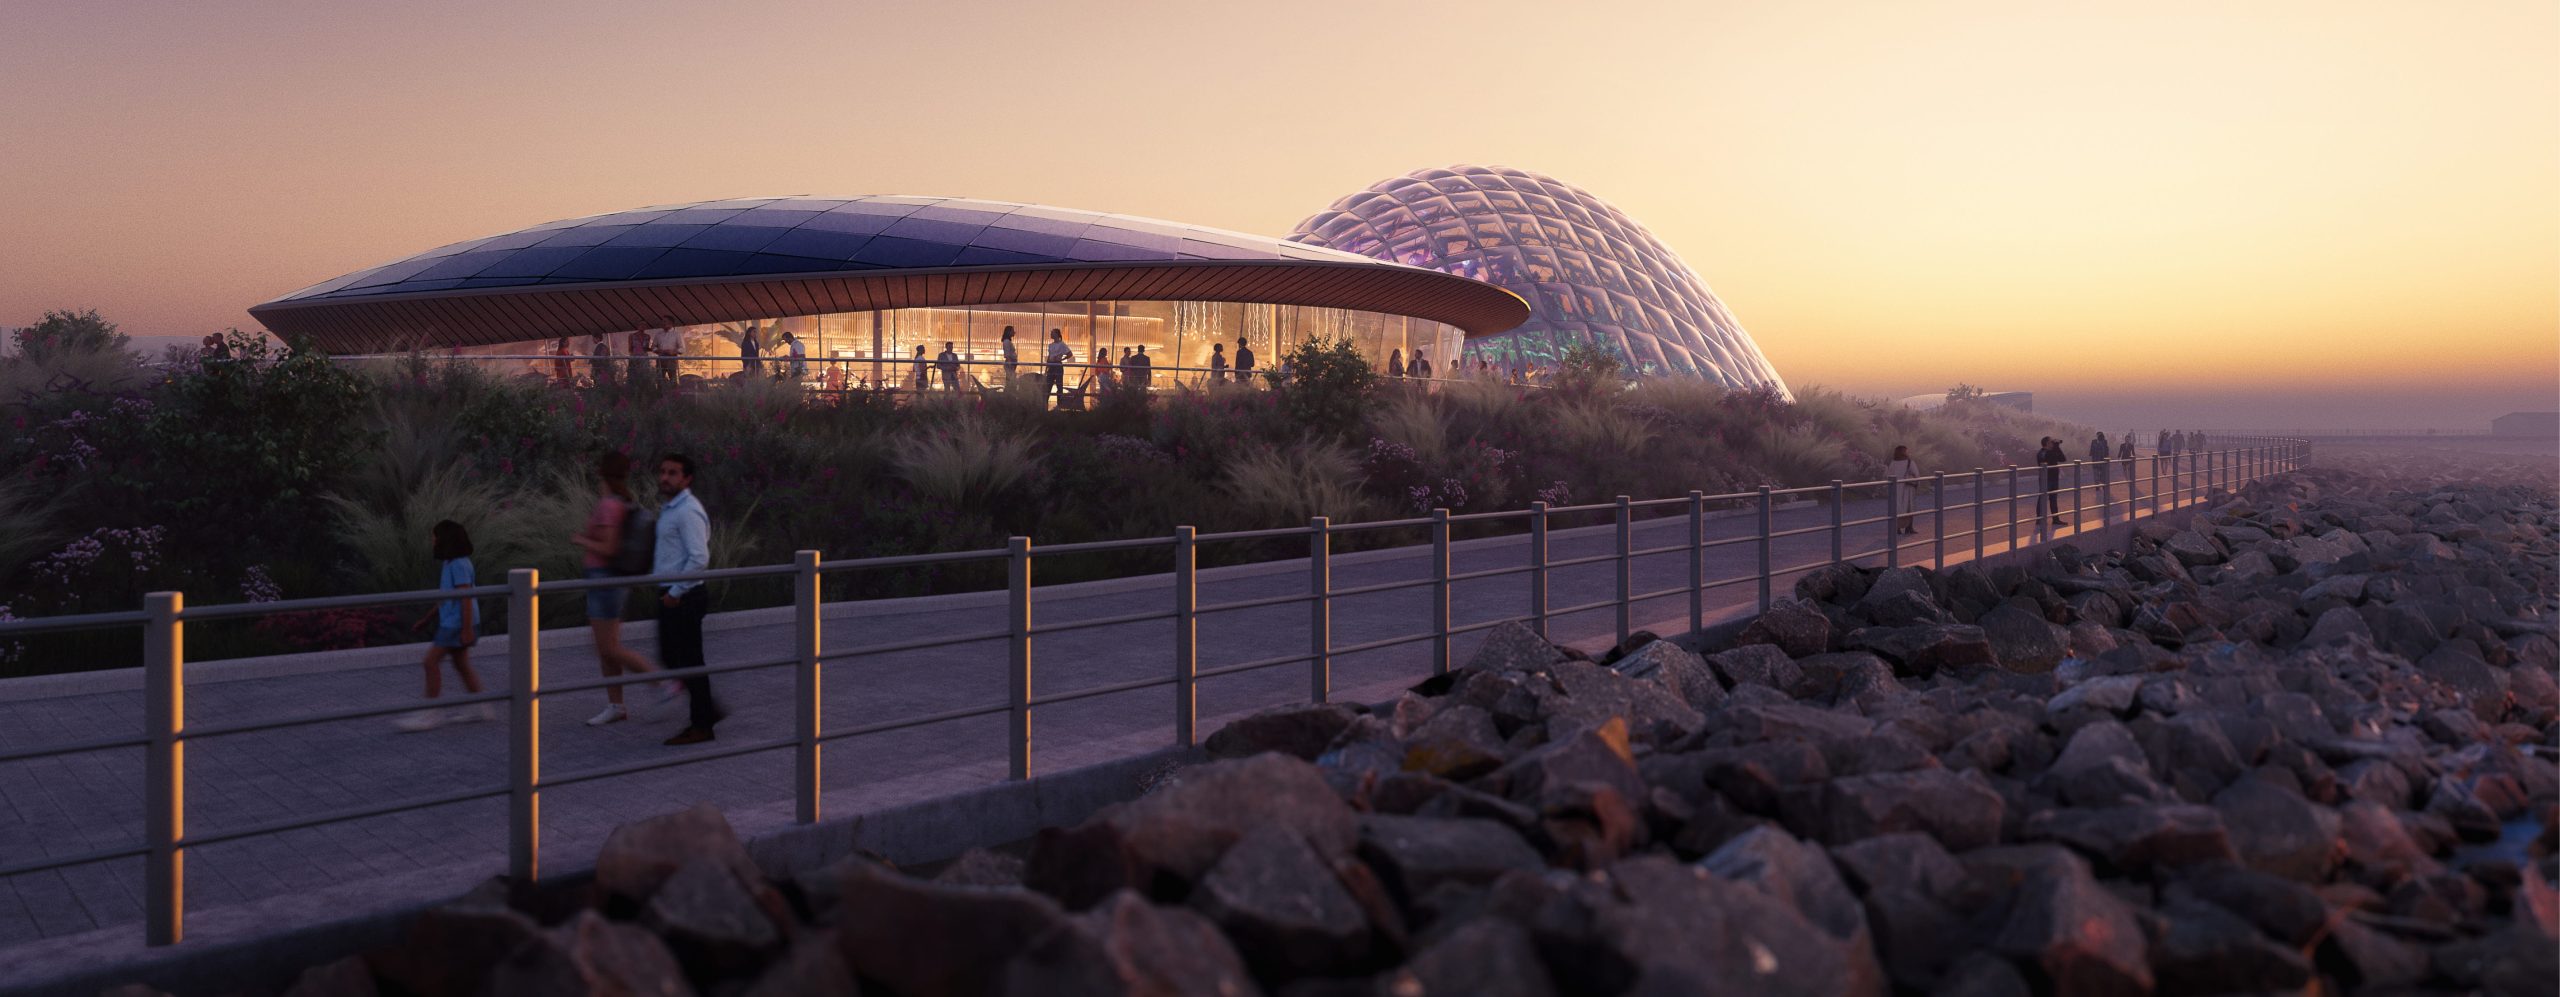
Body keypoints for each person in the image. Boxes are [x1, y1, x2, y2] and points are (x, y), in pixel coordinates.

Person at [569, 452, 667, 726]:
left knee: (609, 649)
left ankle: (661, 684)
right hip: (607, 581)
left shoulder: (609, 505)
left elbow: (609, 548)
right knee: (606, 649)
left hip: (605, 581)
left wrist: (581, 540)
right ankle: (616, 706)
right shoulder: (621, 502)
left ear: (602, 473)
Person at [396, 521, 495, 731]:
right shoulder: (450, 563)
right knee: (461, 664)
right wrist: (427, 619)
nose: (432, 540)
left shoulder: (459, 564)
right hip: (455, 622)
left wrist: (467, 629)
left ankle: (431, 714)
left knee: (430, 662)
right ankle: (480, 708)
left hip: (457, 624)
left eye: (434, 536)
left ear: (445, 540)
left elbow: (466, 597)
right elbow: (446, 598)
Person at [649, 454, 721, 745]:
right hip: (672, 593)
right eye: (663, 471)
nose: (665, 477)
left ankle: (702, 725)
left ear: (686, 478)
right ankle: (707, 711)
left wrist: (675, 593)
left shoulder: (687, 511)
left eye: (673, 473)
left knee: (689, 661)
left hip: (684, 596)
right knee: (672, 657)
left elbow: (699, 558)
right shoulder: (671, 509)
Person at [2035, 437, 2069, 537]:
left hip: (2053, 479)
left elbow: (2062, 459)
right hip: (2046, 479)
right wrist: (2057, 446)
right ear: (2046, 443)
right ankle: (2040, 519)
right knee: (2043, 499)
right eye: (2051, 442)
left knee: (2053, 499)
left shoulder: (2046, 452)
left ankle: (2054, 519)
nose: (2053, 443)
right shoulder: (2043, 453)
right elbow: (2056, 458)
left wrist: (2056, 447)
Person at [1885, 445, 1922, 535]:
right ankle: (1909, 528)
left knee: (1897, 507)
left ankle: (1897, 528)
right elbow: (1916, 474)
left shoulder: (1893, 463)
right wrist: (1917, 484)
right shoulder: (1910, 462)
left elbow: (1888, 475)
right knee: (1909, 507)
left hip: (1896, 488)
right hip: (1908, 488)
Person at [2089, 432, 2113, 517]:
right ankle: (2097, 487)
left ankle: (2102, 486)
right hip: (2096, 461)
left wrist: (2106, 458)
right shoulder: (2094, 442)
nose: (2099, 437)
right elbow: (2091, 452)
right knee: (2096, 475)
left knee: (2103, 475)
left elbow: (2107, 451)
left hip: (2103, 462)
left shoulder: (2104, 442)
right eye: (2099, 435)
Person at [652, 320, 683, 384]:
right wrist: (659, 350)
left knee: (673, 379)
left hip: (671, 359)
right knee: (659, 379)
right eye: (662, 321)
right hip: (661, 359)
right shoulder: (658, 334)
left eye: (665, 321)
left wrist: (673, 351)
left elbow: (682, 349)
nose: (663, 323)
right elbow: (653, 347)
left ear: (670, 323)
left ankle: (674, 393)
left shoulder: (676, 334)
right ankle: (659, 393)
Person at [1045, 329, 1071, 399]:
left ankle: (1059, 404)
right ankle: (1045, 403)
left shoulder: (1062, 344)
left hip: (1057, 366)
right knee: (1048, 385)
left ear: (1056, 334)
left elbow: (1070, 354)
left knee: (1059, 385)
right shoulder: (1050, 345)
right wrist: (1046, 367)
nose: (1051, 334)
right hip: (1051, 366)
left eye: (1052, 333)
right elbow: (1049, 356)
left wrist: (1062, 359)